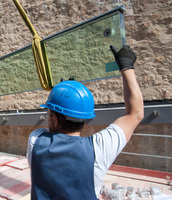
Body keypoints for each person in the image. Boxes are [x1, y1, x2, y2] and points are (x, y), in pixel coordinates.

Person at [27, 45, 144, 200]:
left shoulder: (35, 141)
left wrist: (63, 92)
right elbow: (135, 114)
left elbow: (51, 133)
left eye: (49, 114)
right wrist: (126, 66)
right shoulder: (98, 149)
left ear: (54, 119)